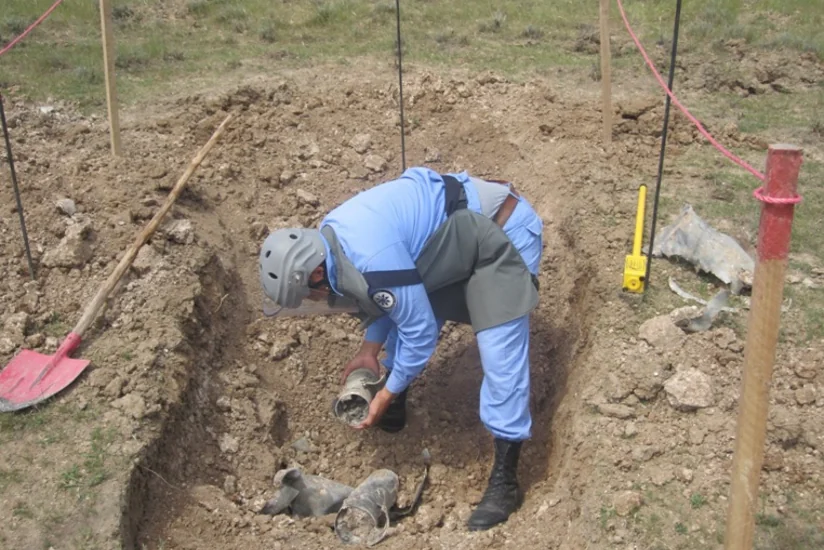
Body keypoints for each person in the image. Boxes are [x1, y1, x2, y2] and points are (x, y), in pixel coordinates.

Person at [258, 166, 543, 531]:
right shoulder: (330, 238)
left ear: (314, 273)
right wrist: (368, 351)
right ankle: (398, 393)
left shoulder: (369, 254)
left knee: (498, 349)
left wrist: (387, 393)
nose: (316, 299)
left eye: (310, 293)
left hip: (502, 233)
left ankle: (505, 479)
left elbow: (419, 329)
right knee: (405, 315)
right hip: (451, 242)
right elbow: (384, 294)